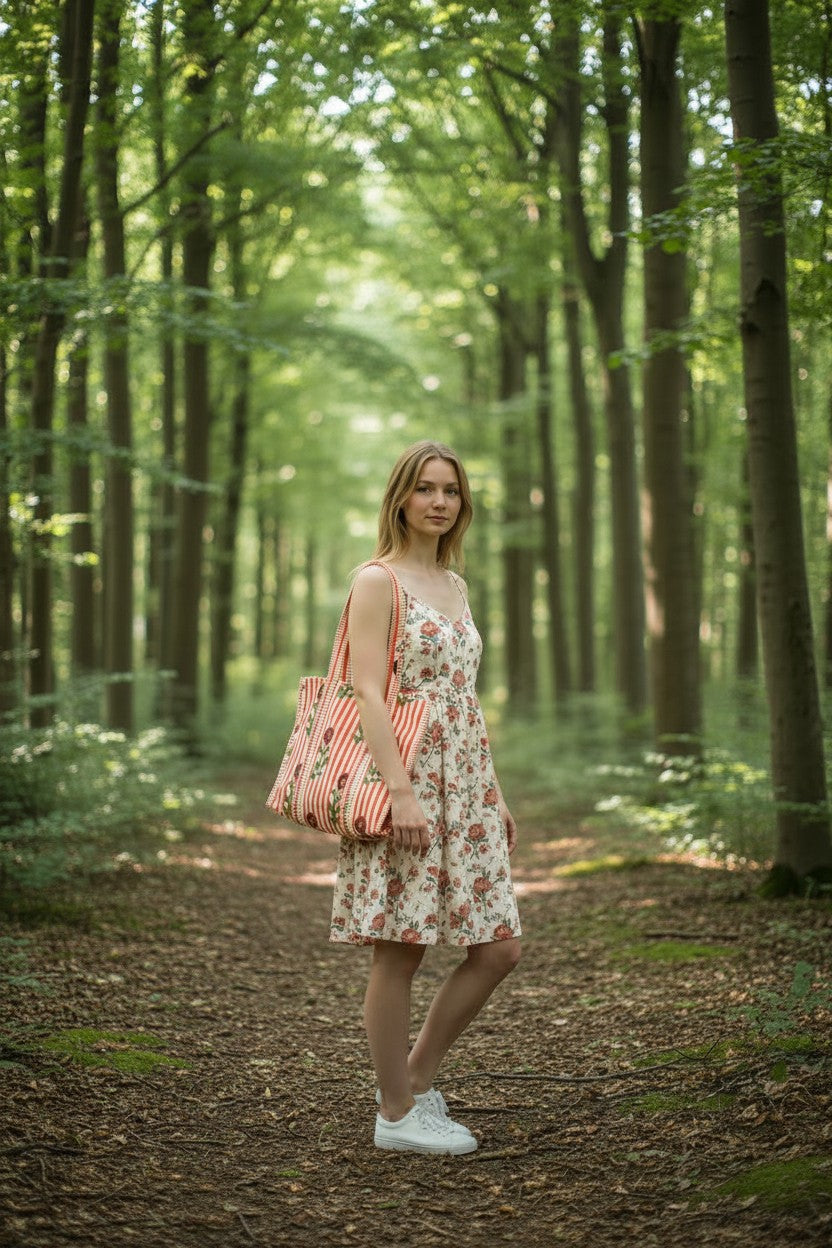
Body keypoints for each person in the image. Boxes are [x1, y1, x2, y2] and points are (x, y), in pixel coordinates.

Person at [330, 440, 522, 1156]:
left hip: (465, 786)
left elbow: (463, 700)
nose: (440, 502)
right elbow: (368, 691)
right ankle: (396, 1115)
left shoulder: (456, 584)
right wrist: (400, 793)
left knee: (499, 949)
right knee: (400, 950)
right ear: (400, 497)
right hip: (404, 784)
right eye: (426, 489)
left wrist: (491, 792)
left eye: (451, 491)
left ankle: (414, 1081)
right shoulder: (377, 580)